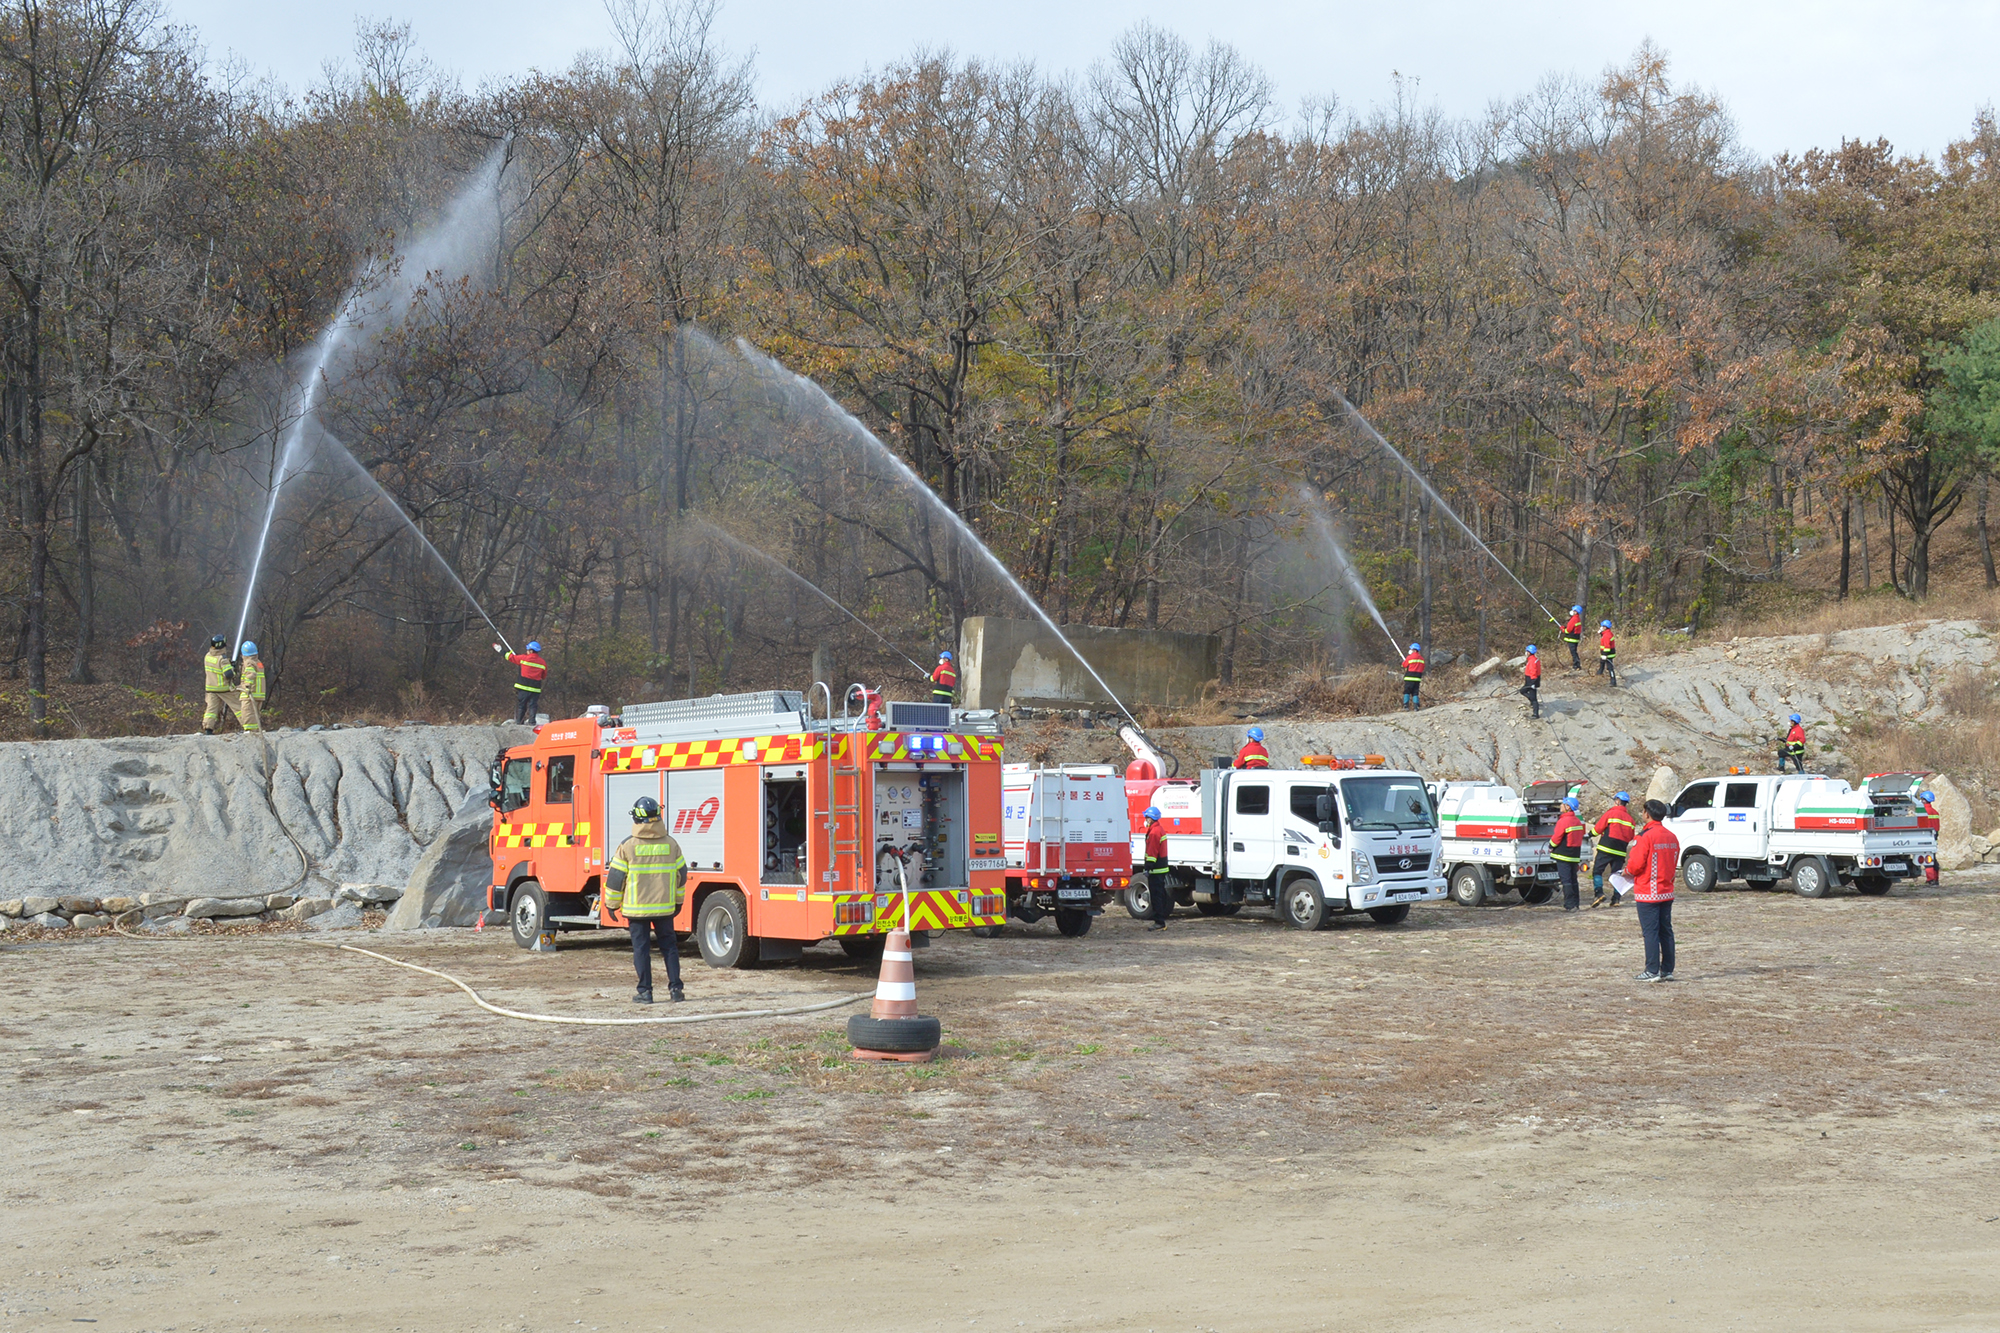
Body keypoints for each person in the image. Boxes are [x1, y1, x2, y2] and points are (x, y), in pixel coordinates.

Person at [605, 796, 689, 1003]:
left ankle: (645, 992)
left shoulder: (627, 846)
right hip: (664, 909)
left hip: (637, 910)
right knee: (669, 947)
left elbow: (616, 879)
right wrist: (678, 902)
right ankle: (676, 990)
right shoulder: (671, 844)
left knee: (641, 950)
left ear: (636, 818)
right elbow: (682, 874)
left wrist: (611, 905)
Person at [1626, 798, 1681, 982]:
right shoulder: (1671, 836)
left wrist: (1626, 871)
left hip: (1648, 891)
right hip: (1667, 890)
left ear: (1646, 814)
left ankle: (1652, 970)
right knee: (1666, 931)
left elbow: (1635, 865)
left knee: (1650, 932)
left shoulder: (1645, 836)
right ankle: (1667, 970)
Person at [1590, 790, 1636, 908]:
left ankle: (1599, 893)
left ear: (1617, 801)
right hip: (1620, 852)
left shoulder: (1611, 813)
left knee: (1597, 871)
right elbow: (1631, 836)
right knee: (1616, 875)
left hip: (1606, 848)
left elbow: (1598, 829)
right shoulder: (1630, 820)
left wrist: (1590, 834)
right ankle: (1616, 899)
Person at [1549, 795, 1587, 911]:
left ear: (1568, 807)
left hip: (1563, 855)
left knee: (1566, 881)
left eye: (1563, 804)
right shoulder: (1577, 821)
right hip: (1574, 855)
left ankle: (1569, 905)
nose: (1561, 806)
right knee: (1573, 879)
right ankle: (1576, 904)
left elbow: (1557, 837)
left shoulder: (1564, 821)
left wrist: (1551, 846)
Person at [498, 640, 548, 725]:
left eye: (527, 650)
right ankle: (532, 722)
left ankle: (519, 722)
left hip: (523, 687)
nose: (526, 651)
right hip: (535, 689)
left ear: (531, 651)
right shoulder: (543, 663)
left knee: (522, 705)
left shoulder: (523, 658)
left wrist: (501, 650)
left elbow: (510, 657)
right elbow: (543, 676)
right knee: (533, 705)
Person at [201, 635, 240, 734]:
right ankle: (250, 726)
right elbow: (229, 675)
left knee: (211, 709)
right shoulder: (222, 659)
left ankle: (208, 729)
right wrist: (233, 668)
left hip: (210, 688)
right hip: (223, 688)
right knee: (239, 705)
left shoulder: (207, 656)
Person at [1142, 806, 1172, 931]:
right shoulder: (1159, 829)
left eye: (1146, 818)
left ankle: (1159, 922)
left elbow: (1152, 852)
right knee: (1160, 895)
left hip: (1156, 870)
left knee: (1156, 897)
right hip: (1161, 868)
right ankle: (1161, 920)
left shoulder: (1154, 832)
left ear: (1150, 819)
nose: (1145, 820)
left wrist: (1148, 867)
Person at [237, 641, 267, 734]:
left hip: (250, 693)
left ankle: (249, 731)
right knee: (255, 713)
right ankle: (256, 730)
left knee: (247, 712)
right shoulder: (258, 663)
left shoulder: (249, 662)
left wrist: (247, 686)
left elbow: (251, 674)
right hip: (259, 694)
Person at [1919, 789, 1940, 884]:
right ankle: (1936, 879)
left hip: (1925, 836)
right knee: (1933, 857)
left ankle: (1930, 879)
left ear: (1924, 800)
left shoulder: (1923, 812)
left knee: (1927, 858)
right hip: (1934, 836)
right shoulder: (1935, 812)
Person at [1518, 645, 1542, 719]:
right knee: (1522, 691)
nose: (1526, 652)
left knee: (1534, 698)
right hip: (1530, 681)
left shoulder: (1532, 661)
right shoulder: (1534, 659)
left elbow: (1533, 673)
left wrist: (1533, 683)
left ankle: (1535, 714)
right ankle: (1531, 701)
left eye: (1527, 651)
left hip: (1531, 681)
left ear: (1529, 652)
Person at [1400, 642, 1426, 711]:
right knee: (1415, 692)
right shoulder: (1422, 659)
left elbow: (1404, 665)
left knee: (1407, 691)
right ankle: (1416, 707)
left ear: (1414, 650)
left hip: (1409, 677)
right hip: (1417, 678)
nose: (1410, 650)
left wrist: (1404, 662)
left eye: (1411, 649)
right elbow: (1422, 668)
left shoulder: (1410, 657)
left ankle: (1406, 706)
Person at [1597, 620, 1618, 686]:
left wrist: (1604, 655)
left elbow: (1607, 646)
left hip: (1608, 654)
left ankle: (1613, 682)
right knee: (1602, 662)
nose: (1601, 627)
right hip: (1607, 653)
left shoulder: (1606, 635)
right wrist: (1601, 633)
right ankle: (1599, 673)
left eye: (1602, 626)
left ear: (1605, 627)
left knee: (1610, 668)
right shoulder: (1607, 633)